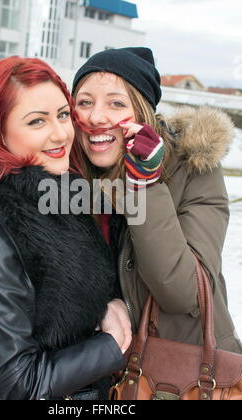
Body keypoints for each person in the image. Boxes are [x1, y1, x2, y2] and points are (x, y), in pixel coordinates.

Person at [0, 56, 132, 401]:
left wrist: (107, 306)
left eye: (62, 115)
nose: (60, 133)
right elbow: (18, 382)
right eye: (36, 122)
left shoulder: (59, 195)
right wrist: (109, 345)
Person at [72, 47, 242, 353]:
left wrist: (144, 184)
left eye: (116, 103)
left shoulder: (193, 168)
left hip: (185, 378)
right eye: (85, 102)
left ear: (142, 114)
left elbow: (181, 292)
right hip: (102, 373)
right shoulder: (67, 177)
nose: (96, 117)